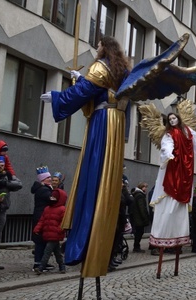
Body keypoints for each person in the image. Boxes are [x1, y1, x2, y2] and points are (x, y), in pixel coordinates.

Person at [40, 36, 130, 279]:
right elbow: (102, 92)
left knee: (93, 174)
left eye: (99, 44)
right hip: (116, 124)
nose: (96, 48)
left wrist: (59, 97)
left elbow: (87, 91)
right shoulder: (122, 72)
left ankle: (84, 238)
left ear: (104, 47)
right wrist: (81, 79)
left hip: (102, 125)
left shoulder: (101, 66)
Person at [148, 109, 196, 255]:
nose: (172, 121)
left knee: (180, 204)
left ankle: (178, 236)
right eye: (170, 119)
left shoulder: (186, 130)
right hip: (174, 165)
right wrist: (169, 154)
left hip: (186, 167)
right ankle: (164, 237)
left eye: (174, 118)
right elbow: (167, 145)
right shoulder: (169, 134)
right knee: (169, 200)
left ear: (178, 119)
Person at [0, 151, 22, 271]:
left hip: (1, 210)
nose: (1, 165)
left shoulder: (7, 175)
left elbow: (19, 184)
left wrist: (6, 183)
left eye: (3, 164)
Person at [33, 186, 68, 274]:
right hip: (47, 233)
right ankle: (62, 266)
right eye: (51, 197)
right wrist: (37, 228)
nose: (52, 198)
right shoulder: (47, 208)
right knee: (57, 252)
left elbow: (63, 222)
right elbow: (42, 220)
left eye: (54, 197)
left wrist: (59, 230)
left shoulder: (62, 209)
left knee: (47, 251)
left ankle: (41, 267)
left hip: (55, 234)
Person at [31, 166, 55, 271]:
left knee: (43, 240)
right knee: (40, 240)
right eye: (47, 178)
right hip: (41, 217)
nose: (50, 179)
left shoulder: (45, 188)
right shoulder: (44, 190)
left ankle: (42, 262)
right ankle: (38, 263)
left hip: (42, 216)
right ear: (42, 180)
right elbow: (53, 200)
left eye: (50, 177)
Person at [128, 183, 150, 253]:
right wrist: (145, 217)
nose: (146, 188)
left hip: (137, 217)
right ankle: (136, 247)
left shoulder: (137, 194)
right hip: (139, 218)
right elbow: (142, 208)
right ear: (141, 187)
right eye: (145, 187)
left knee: (138, 232)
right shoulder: (140, 196)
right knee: (139, 232)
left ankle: (136, 246)